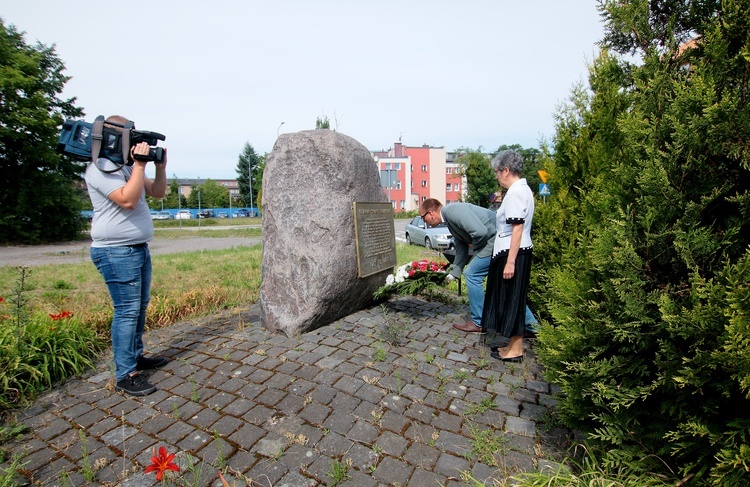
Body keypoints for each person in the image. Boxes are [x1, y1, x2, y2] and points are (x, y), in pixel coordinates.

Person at [84, 115, 169, 396]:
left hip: (136, 249)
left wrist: (159, 167)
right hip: (115, 252)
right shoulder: (99, 169)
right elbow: (128, 200)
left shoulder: (124, 168)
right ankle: (124, 374)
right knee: (126, 311)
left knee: (139, 307)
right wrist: (139, 164)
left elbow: (156, 192)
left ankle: (135, 357)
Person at [481, 149, 535, 362]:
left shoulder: (516, 192)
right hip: (515, 253)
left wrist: (510, 262)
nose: (496, 177)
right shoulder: (522, 190)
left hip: (513, 254)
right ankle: (514, 346)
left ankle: (516, 350)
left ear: (506, 170)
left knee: (512, 300)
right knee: (514, 300)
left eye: (497, 172)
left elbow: (517, 229)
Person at [421, 198, 496, 333]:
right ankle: (531, 327)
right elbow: (460, 246)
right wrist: (453, 274)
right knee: (503, 285)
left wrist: (475, 246)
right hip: (494, 240)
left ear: (431, 213)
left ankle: (479, 322)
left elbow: (480, 233)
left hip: (495, 240)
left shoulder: (452, 211)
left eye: (423, 217)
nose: (423, 221)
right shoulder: (449, 219)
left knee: (472, 274)